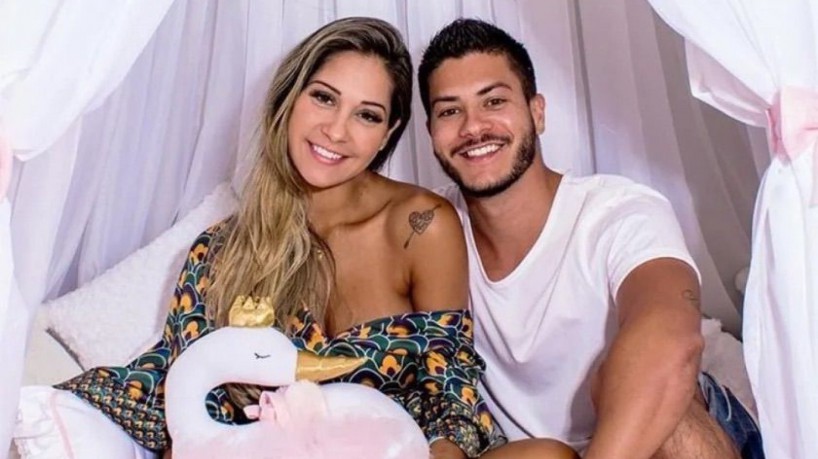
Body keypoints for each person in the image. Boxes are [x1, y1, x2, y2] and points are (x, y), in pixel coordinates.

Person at [53, 17, 519, 459]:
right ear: (288, 98)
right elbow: (188, 403)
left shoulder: (419, 225)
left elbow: (450, 382)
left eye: (367, 115)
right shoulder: (220, 253)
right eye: (324, 98)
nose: (336, 131)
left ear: (387, 133)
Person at [418, 18, 764, 459]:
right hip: (538, 452)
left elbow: (670, 341)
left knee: (659, 402)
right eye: (450, 111)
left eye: (494, 101)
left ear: (537, 112)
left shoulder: (617, 210)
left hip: (664, 433)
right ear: (431, 133)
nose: (473, 127)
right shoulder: (427, 231)